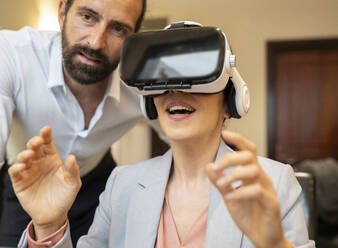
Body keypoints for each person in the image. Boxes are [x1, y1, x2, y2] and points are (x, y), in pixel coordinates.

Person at [9, 24, 315, 247]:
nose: (175, 90)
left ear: (230, 102)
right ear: (149, 100)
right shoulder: (121, 185)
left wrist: (276, 245)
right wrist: (49, 225)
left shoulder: (275, 182)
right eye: (162, 78)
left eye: (195, 75)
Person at [0, 0, 164, 246]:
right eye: (87, 17)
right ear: (63, 12)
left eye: (118, 29)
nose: (96, 43)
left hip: (97, 181)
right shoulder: (12, 53)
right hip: (28, 183)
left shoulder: (143, 83)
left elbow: (190, 142)